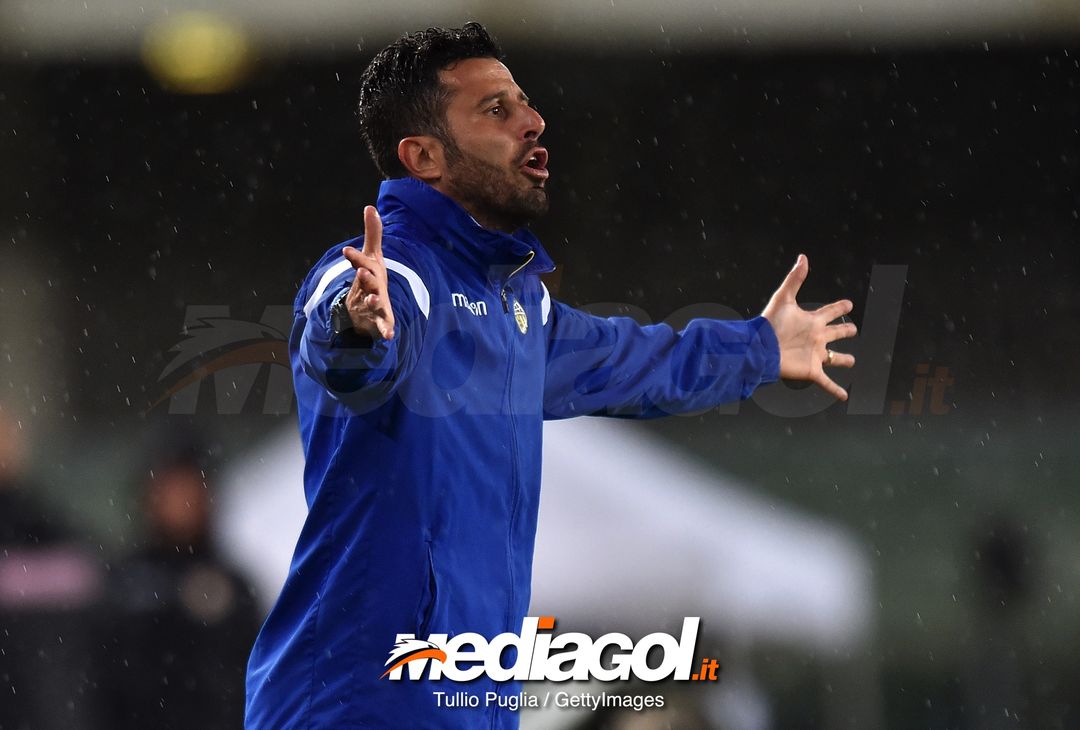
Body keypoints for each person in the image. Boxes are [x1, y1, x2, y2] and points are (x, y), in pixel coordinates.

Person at [245, 22, 857, 729]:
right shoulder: (390, 273)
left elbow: (637, 361)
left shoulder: (516, 310)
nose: (534, 123)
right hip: (357, 707)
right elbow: (356, 340)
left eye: (525, 103)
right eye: (497, 110)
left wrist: (760, 348)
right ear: (423, 156)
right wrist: (357, 325)